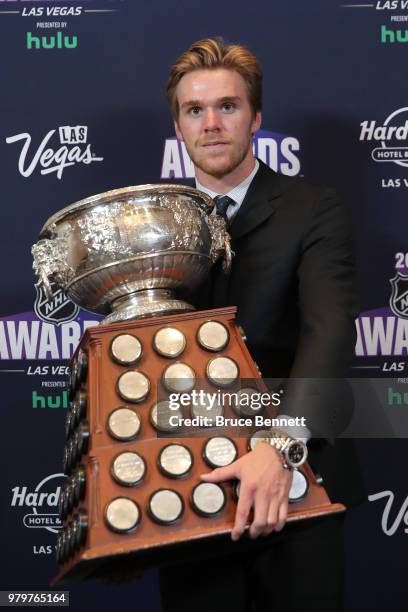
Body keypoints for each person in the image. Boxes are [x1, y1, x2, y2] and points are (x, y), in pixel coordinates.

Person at [159, 37, 364, 612]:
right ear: (178, 127)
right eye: (194, 110)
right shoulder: (157, 227)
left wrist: (281, 448)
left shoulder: (315, 208)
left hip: (299, 483)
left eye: (228, 106)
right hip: (191, 483)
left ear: (256, 117)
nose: (212, 124)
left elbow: (328, 333)